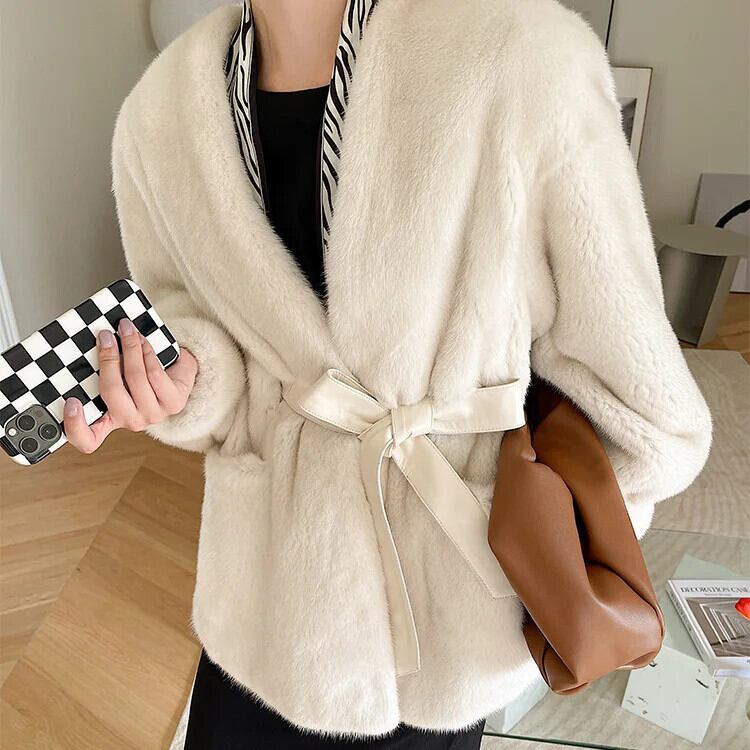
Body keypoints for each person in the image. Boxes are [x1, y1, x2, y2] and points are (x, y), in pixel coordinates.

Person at [63, 0, 713, 747]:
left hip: (451, 607)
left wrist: (543, 536)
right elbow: (204, 343)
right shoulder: (157, 117)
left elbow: (638, 399)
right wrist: (182, 385)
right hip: (270, 601)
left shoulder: (523, 53)